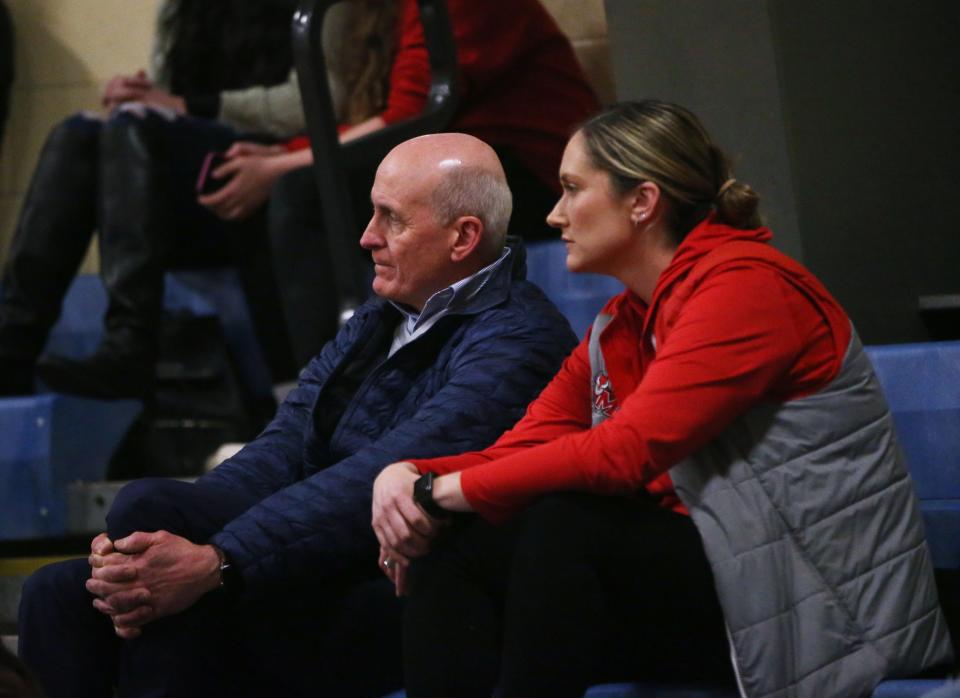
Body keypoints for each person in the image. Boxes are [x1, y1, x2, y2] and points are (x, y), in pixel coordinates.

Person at [371, 101, 954, 697]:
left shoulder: (748, 288)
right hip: (724, 588)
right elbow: (524, 447)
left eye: (572, 189)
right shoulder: (618, 324)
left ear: (642, 202)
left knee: (563, 523)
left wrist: (439, 490)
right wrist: (411, 476)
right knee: (457, 537)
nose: (553, 214)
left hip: (817, 611)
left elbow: (625, 451)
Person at [17, 132, 578, 698]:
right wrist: (157, 548)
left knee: (186, 603)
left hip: (391, 581)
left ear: (463, 238)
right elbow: (286, 441)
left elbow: (374, 480)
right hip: (305, 554)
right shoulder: (382, 314)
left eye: (392, 219)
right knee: (70, 582)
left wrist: (221, 559)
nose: (367, 237)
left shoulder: (520, 341)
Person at [201, 0, 600, 367]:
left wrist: (284, 166)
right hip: (452, 150)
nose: (372, 238)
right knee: (262, 188)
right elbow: (397, 114)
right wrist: (284, 155)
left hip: (531, 167)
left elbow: (418, 110)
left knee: (305, 194)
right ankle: (285, 397)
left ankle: (329, 393)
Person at [0, 0, 302, 399]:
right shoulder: (181, 10)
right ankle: (12, 347)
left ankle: (130, 345)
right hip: (192, 169)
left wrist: (187, 107)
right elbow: (163, 104)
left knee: (133, 129)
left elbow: (311, 102)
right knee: (77, 133)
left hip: (275, 165)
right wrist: (139, 96)